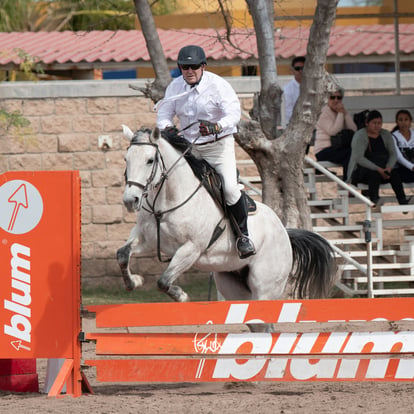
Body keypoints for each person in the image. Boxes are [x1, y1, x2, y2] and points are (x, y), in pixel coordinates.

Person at [156, 45, 256, 259]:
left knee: (228, 189)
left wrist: (216, 126)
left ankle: (243, 237)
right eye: (184, 67)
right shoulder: (174, 87)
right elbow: (164, 114)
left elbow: (234, 114)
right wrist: (167, 128)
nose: (189, 71)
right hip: (189, 148)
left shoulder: (218, 85)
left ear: (203, 66)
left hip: (218, 147)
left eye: (193, 66)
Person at [347, 110, 410, 207]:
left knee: (395, 175)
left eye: (379, 123)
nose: (377, 126)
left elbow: (393, 154)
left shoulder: (386, 134)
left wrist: (388, 168)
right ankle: (375, 200)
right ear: (367, 123)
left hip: (383, 168)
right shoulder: (360, 135)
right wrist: (378, 169)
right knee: (374, 175)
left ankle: (402, 201)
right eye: (374, 123)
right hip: (363, 171)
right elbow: (359, 158)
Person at [314, 87, 357, 181]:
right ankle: (347, 183)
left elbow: (353, 129)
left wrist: (345, 113)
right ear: (327, 99)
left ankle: (351, 182)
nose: (336, 100)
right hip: (324, 150)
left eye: (339, 97)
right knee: (349, 154)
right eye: (332, 97)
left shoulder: (341, 111)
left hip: (338, 148)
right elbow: (333, 132)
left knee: (356, 152)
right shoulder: (323, 113)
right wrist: (341, 114)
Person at [392, 109, 414, 183]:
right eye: (400, 120)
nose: (403, 122)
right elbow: (399, 158)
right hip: (402, 169)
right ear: (397, 122)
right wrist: (412, 167)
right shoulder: (394, 136)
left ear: (410, 121)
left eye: (406, 119)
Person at [283, 56, 305, 126]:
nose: (300, 71)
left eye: (303, 68)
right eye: (297, 68)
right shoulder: (287, 90)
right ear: (292, 70)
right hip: (293, 125)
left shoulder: (315, 86)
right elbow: (287, 111)